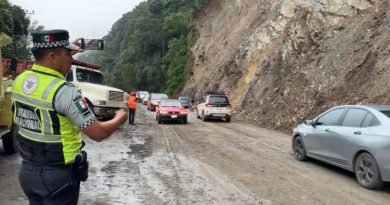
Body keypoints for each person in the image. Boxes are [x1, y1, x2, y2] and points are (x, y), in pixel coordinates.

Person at [11, 29, 128, 205]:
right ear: (52, 57)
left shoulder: (20, 80)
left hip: (28, 172)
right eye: (68, 54)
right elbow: (98, 133)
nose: (71, 59)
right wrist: (120, 116)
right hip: (57, 177)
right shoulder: (64, 92)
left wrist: (67, 48)